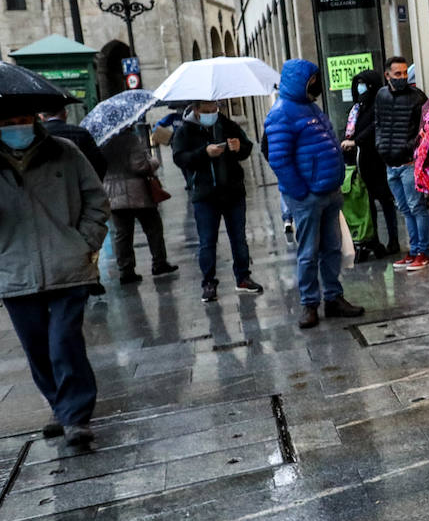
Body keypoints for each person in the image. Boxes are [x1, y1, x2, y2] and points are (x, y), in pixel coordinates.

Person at [0, 111, 110, 446]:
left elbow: (97, 200)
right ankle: (60, 405)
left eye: (24, 117)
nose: (18, 124)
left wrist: (83, 242)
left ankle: (76, 416)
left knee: (63, 340)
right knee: (37, 348)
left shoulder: (65, 151)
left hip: (67, 266)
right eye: (9, 120)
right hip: (14, 270)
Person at [265, 59, 366, 330]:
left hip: (329, 192)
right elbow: (279, 159)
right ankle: (310, 304)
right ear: (301, 81)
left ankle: (333, 297)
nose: (316, 84)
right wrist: (301, 192)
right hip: (308, 196)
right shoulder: (282, 113)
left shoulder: (311, 108)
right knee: (308, 252)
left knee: (332, 249)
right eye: (312, 80)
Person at [171, 100, 264, 302]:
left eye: (214, 109)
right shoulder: (185, 130)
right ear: (196, 110)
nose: (212, 113)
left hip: (233, 191)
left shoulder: (226, 123)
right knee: (207, 242)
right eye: (207, 111)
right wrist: (204, 153)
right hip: (205, 195)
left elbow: (246, 147)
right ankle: (209, 283)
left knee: (239, 238)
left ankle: (243, 277)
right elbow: (179, 158)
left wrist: (239, 147)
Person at [374, 56, 429, 271]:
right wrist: (381, 146)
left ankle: (423, 252)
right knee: (405, 210)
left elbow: (424, 129)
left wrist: (409, 148)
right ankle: (414, 249)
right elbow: (378, 122)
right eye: (397, 74)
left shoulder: (416, 97)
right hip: (390, 163)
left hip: (408, 163)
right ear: (387, 75)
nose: (402, 77)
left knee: (416, 207)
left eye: (405, 73)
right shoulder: (381, 95)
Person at [101, 126, 178, 283]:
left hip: (113, 194)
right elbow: (139, 166)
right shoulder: (131, 139)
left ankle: (126, 270)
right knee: (153, 228)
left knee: (122, 234)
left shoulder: (102, 141)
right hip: (138, 193)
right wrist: (153, 162)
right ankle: (159, 263)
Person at [340, 68, 399, 257]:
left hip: (377, 160)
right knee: (367, 203)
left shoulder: (379, 102)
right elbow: (352, 128)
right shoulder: (359, 106)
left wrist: (356, 141)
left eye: (363, 83)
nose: (360, 87)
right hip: (361, 162)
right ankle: (372, 240)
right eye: (357, 83)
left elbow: (375, 126)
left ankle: (393, 240)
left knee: (385, 201)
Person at [40, 104, 107, 180]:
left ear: (41, 117)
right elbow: (99, 163)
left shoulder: (37, 136)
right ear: (66, 114)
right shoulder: (81, 133)